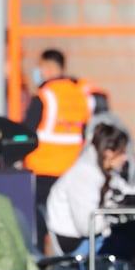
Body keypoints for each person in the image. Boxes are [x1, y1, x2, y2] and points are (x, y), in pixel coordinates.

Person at [23, 48, 90, 255]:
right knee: (65, 222)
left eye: (40, 67)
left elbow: (27, 131)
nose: (38, 72)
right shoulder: (80, 95)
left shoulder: (45, 95)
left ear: (50, 68)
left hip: (42, 170)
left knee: (37, 224)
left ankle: (39, 265)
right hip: (70, 172)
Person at [46, 123, 135, 258]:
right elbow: (87, 225)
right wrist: (112, 217)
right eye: (122, 153)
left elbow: (126, 191)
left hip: (95, 237)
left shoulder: (104, 172)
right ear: (108, 152)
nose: (125, 158)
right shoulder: (84, 175)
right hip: (77, 245)